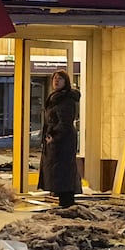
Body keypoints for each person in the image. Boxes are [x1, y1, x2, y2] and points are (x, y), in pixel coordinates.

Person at [38, 70, 81, 208]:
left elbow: (65, 123)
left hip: (62, 142)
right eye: (55, 78)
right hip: (55, 141)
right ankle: (64, 202)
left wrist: (54, 137)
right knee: (58, 173)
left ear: (66, 81)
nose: (56, 81)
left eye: (60, 78)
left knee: (63, 173)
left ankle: (67, 203)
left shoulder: (66, 99)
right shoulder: (55, 98)